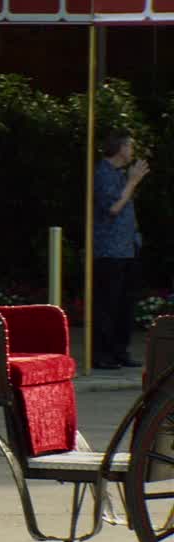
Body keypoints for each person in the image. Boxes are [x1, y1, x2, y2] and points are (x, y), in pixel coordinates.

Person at [92, 129, 148, 369]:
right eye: (130, 146)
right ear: (120, 148)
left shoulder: (120, 174)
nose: (132, 152)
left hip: (127, 247)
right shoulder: (103, 173)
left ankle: (119, 350)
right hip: (109, 249)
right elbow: (113, 207)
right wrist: (133, 181)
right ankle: (102, 354)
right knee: (108, 303)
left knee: (126, 302)